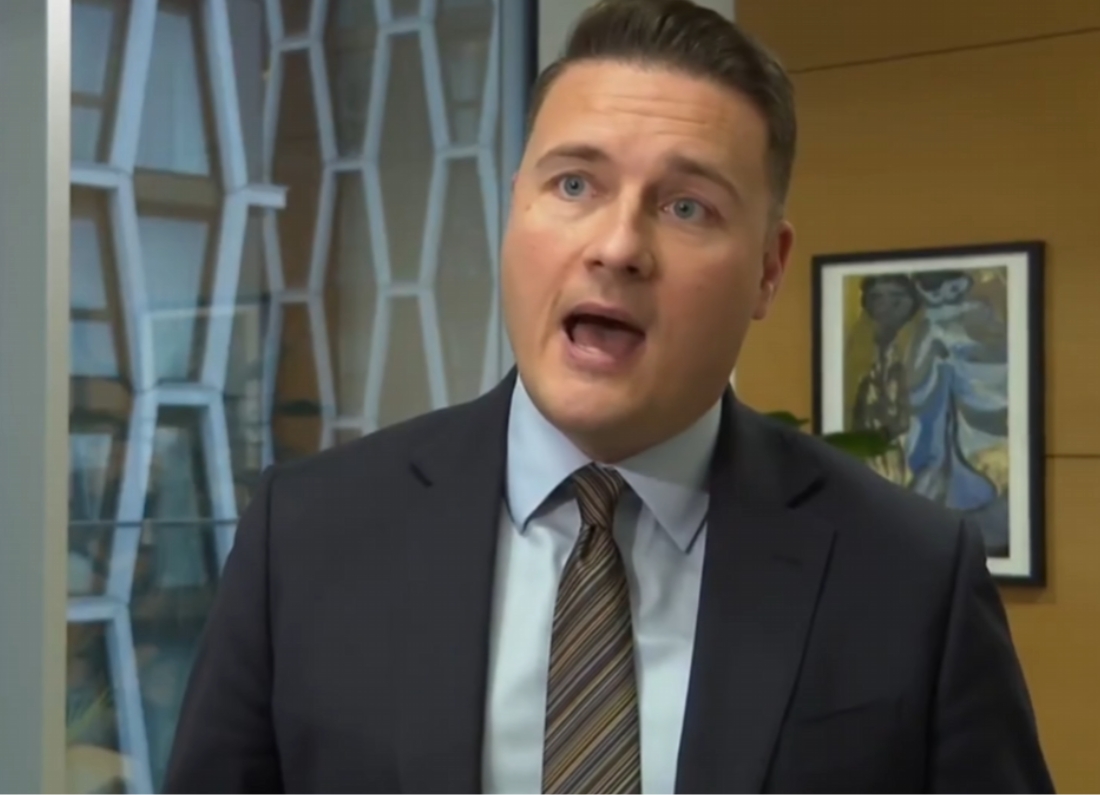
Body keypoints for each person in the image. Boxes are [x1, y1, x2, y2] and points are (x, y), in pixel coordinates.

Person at [164, 1, 1054, 792]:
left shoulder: (908, 575)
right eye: (575, 184)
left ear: (767, 272)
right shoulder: (310, 533)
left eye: (687, 207)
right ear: (516, 210)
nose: (618, 245)